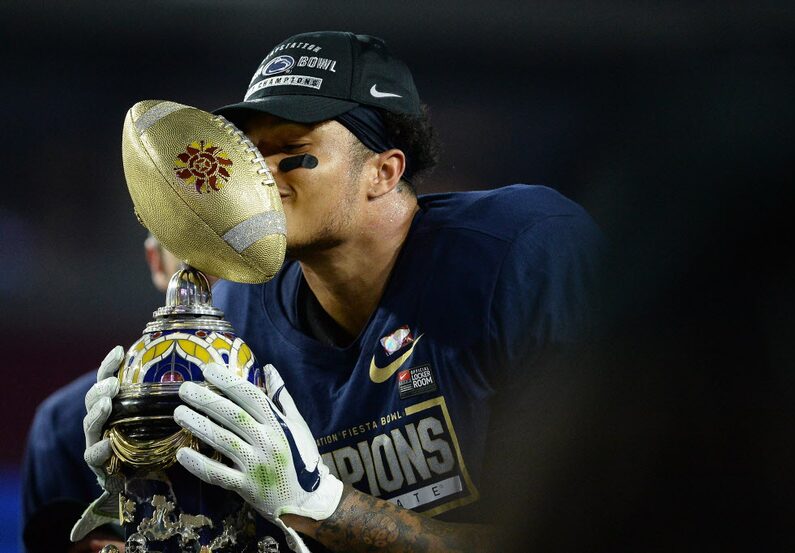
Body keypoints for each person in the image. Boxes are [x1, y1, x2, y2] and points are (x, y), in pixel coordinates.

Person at [47, 30, 605, 552]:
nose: (257, 176)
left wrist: (322, 506)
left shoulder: (525, 254)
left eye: (291, 148)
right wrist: (151, 484)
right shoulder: (237, 315)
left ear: (384, 172)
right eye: (248, 153)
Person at [19, 234, 185, 553]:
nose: (203, 294)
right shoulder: (64, 429)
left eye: (233, 255)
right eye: (192, 260)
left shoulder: (297, 396)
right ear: (156, 262)